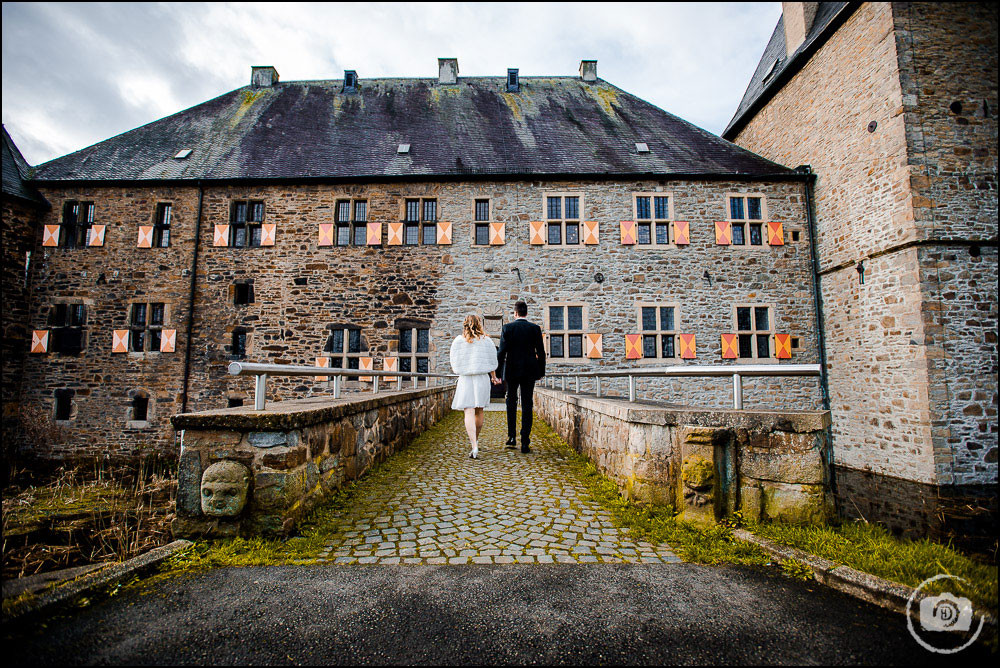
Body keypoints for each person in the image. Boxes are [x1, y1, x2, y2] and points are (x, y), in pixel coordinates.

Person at [496, 300, 546, 453]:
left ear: (515, 313)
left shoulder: (508, 328)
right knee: (527, 404)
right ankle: (525, 441)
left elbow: (501, 352)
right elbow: (541, 353)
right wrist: (540, 372)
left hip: (511, 371)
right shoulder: (535, 329)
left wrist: (498, 374)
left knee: (511, 402)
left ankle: (512, 437)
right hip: (529, 371)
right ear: (526, 313)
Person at [449, 314, 501, 459]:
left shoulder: (458, 341)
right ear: (479, 324)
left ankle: (474, 445)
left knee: (468, 411)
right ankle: (475, 440)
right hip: (481, 379)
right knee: (479, 411)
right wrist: (494, 377)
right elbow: (492, 362)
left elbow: (454, 362)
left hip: (466, 379)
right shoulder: (487, 341)